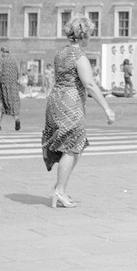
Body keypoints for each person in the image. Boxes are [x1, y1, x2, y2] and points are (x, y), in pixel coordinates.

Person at [41, 15, 116, 208]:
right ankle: (59, 191)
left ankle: (60, 188)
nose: (90, 38)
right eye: (90, 34)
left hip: (56, 101)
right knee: (72, 146)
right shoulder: (80, 57)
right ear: (83, 35)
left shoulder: (60, 54)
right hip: (70, 103)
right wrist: (107, 108)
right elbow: (90, 84)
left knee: (74, 146)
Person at [0, 46, 21, 132]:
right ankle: (16, 119)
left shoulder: (1, 60)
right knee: (12, 103)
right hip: (13, 85)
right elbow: (18, 72)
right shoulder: (13, 60)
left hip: (4, 85)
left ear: (2, 52)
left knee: (1, 104)